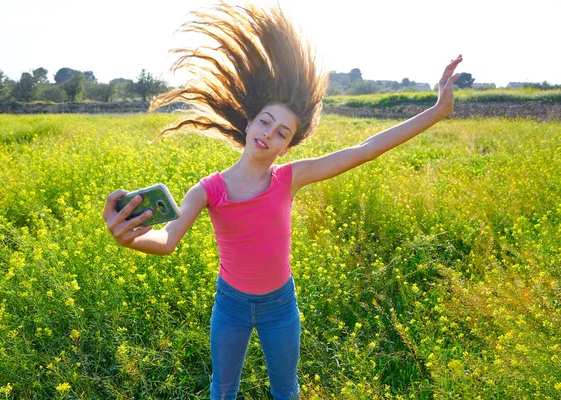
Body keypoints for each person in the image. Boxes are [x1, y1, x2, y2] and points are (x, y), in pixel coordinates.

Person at [102, 2, 463, 399]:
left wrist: (438, 110)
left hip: (280, 306)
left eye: (281, 134)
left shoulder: (290, 178)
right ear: (249, 122)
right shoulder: (208, 189)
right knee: (222, 390)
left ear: (287, 147)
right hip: (231, 305)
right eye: (265, 122)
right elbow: (167, 240)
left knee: (286, 391)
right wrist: (131, 238)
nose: (268, 134)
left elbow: (365, 149)